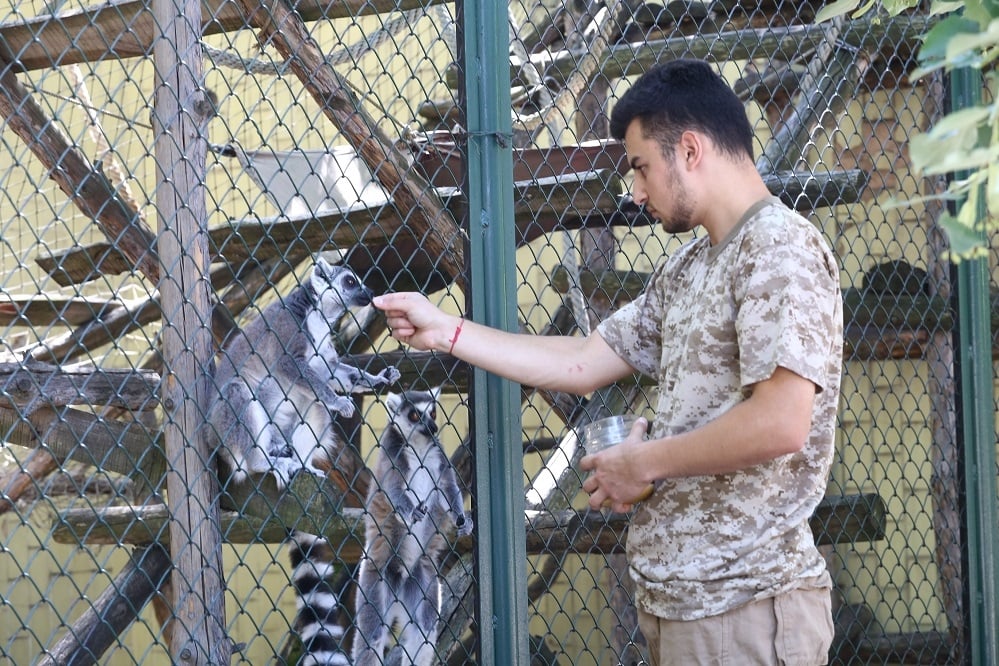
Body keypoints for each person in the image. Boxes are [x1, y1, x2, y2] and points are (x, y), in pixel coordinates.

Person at [373, 58, 843, 666]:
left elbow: (781, 422)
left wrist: (644, 461)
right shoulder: (690, 266)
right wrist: (448, 332)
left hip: (745, 607)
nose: (637, 191)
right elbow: (585, 359)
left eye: (642, 166)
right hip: (684, 609)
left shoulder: (780, 249)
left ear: (692, 149)